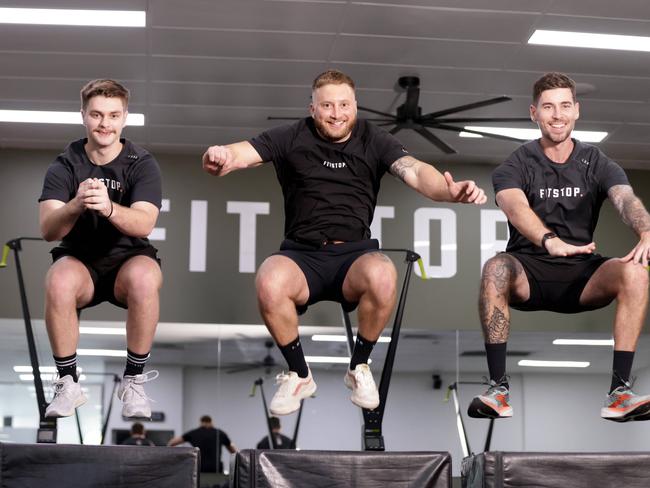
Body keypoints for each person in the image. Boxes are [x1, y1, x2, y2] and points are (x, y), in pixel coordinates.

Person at [202, 69, 487, 416]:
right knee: (268, 278)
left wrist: (448, 192)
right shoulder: (290, 137)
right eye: (327, 105)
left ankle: (359, 367)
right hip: (302, 256)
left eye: (344, 105)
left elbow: (413, 170)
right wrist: (220, 157)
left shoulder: (374, 139)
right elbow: (240, 153)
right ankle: (299, 374)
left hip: (354, 256)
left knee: (383, 273)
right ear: (312, 108)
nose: (336, 113)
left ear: (356, 106)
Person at [468, 72, 650, 422]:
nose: (558, 115)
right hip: (529, 272)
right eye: (548, 107)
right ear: (534, 113)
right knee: (495, 268)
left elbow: (625, 200)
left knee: (636, 273)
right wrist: (549, 240)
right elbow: (514, 206)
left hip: (583, 274)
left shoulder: (596, 162)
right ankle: (498, 389)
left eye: (565, 106)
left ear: (577, 111)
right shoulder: (516, 164)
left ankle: (620, 392)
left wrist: (645, 230)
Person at [38, 79, 163, 419]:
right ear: (83, 116)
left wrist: (108, 208)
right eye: (96, 115)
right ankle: (68, 381)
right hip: (81, 260)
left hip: (128, 258)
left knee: (145, 278)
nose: (104, 124)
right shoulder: (65, 164)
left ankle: (134, 380)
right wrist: (76, 204)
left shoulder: (142, 163)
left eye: (113, 115)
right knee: (57, 280)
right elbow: (49, 229)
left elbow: (145, 224)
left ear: (124, 118)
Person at [168, 415, 237, 473]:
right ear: (211, 422)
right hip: (215, 468)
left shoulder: (193, 433)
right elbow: (233, 451)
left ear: (201, 422)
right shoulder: (220, 433)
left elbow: (172, 443)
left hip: (199, 467)